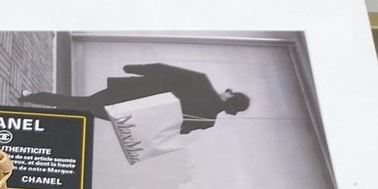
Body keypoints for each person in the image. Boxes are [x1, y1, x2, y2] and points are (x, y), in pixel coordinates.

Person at [22, 63, 250, 135]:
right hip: (134, 116)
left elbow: (163, 70)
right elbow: (175, 129)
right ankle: (36, 108)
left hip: (129, 95)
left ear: (229, 95)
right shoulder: (208, 121)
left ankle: (32, 99)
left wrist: (133, 68)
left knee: (82, 105)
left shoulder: (201, 81)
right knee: (84, 108)